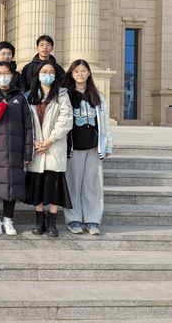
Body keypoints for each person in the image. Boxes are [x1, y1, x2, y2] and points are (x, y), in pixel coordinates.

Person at [0, 62, 33, 236]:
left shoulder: (20, 96)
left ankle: (9, 220)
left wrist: (28, 151)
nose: (3, 77)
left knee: (13, 185)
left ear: (12, 75)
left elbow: (28, 125)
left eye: (6, 73)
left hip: (15, 148)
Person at [63, 59, 113, 236]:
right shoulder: (66, 95)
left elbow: (105, 123)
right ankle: (73, 219)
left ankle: (93, 220)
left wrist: (108, 145)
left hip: (93, 147)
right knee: (73, 185)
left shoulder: (97, 96)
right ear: (71, 74)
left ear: (89, 73)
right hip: (74, 148)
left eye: (83, 71)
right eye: (76, 71)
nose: (80, 74)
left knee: (93, 185)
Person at [25, 60, 73, 237]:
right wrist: (34, 141)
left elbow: (66, 120)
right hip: (36, 147)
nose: (47, 75)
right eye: (44, 71)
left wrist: (50, 141)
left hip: (54, 146)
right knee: (37, 185)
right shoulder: (29, 96)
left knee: (54, 186)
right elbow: (25, 121)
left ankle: (52, 222)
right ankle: (39, 221)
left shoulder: (62, 95)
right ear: (37, 75)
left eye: (51, 72)